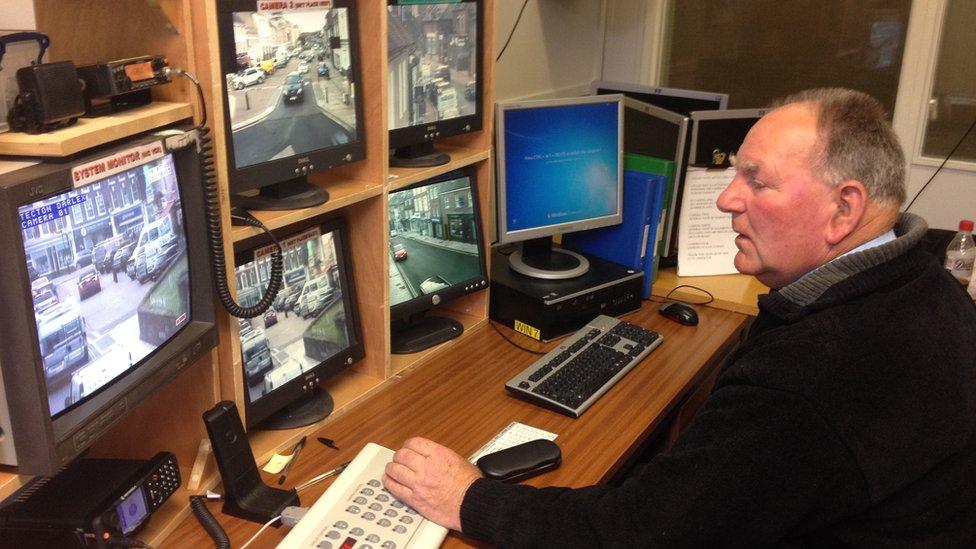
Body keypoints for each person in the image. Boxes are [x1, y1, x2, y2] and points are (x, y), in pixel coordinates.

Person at [383, 88, 976, 546]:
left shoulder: (816, 375)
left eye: (756, 180)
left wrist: (470, 497)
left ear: (844, 208)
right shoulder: (923, 285)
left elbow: (636, 535)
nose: (726, 199)